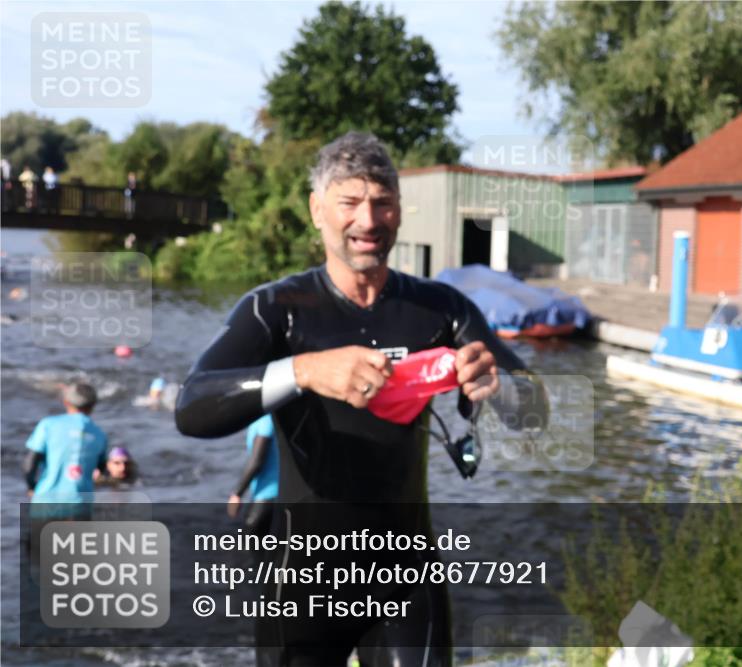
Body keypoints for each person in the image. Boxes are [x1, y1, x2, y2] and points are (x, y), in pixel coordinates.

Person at [174, 131, 547, 667]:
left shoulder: (440, 309)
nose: (368, 221)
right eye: (349, 203)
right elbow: (191, 406)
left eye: (383, 203)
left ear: (399, 211)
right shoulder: (277, 309)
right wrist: (304, 370)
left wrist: (498, 387)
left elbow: (534, 411)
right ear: (317, 209)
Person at [23, 383, 108, 517]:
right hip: (80, 504)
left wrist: (31, 486)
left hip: (47, 500)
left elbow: (31, 462)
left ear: (66, 402)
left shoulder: (48, 425)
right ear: (93, 405)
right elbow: (101, 468)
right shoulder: (99, 434)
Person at [228, 414, 279, 536]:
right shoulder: (272, 418)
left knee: (251, 541)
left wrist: (237, 494)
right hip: (277, 494)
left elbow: (256, 462)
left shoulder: (264, 420)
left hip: (268, 495)